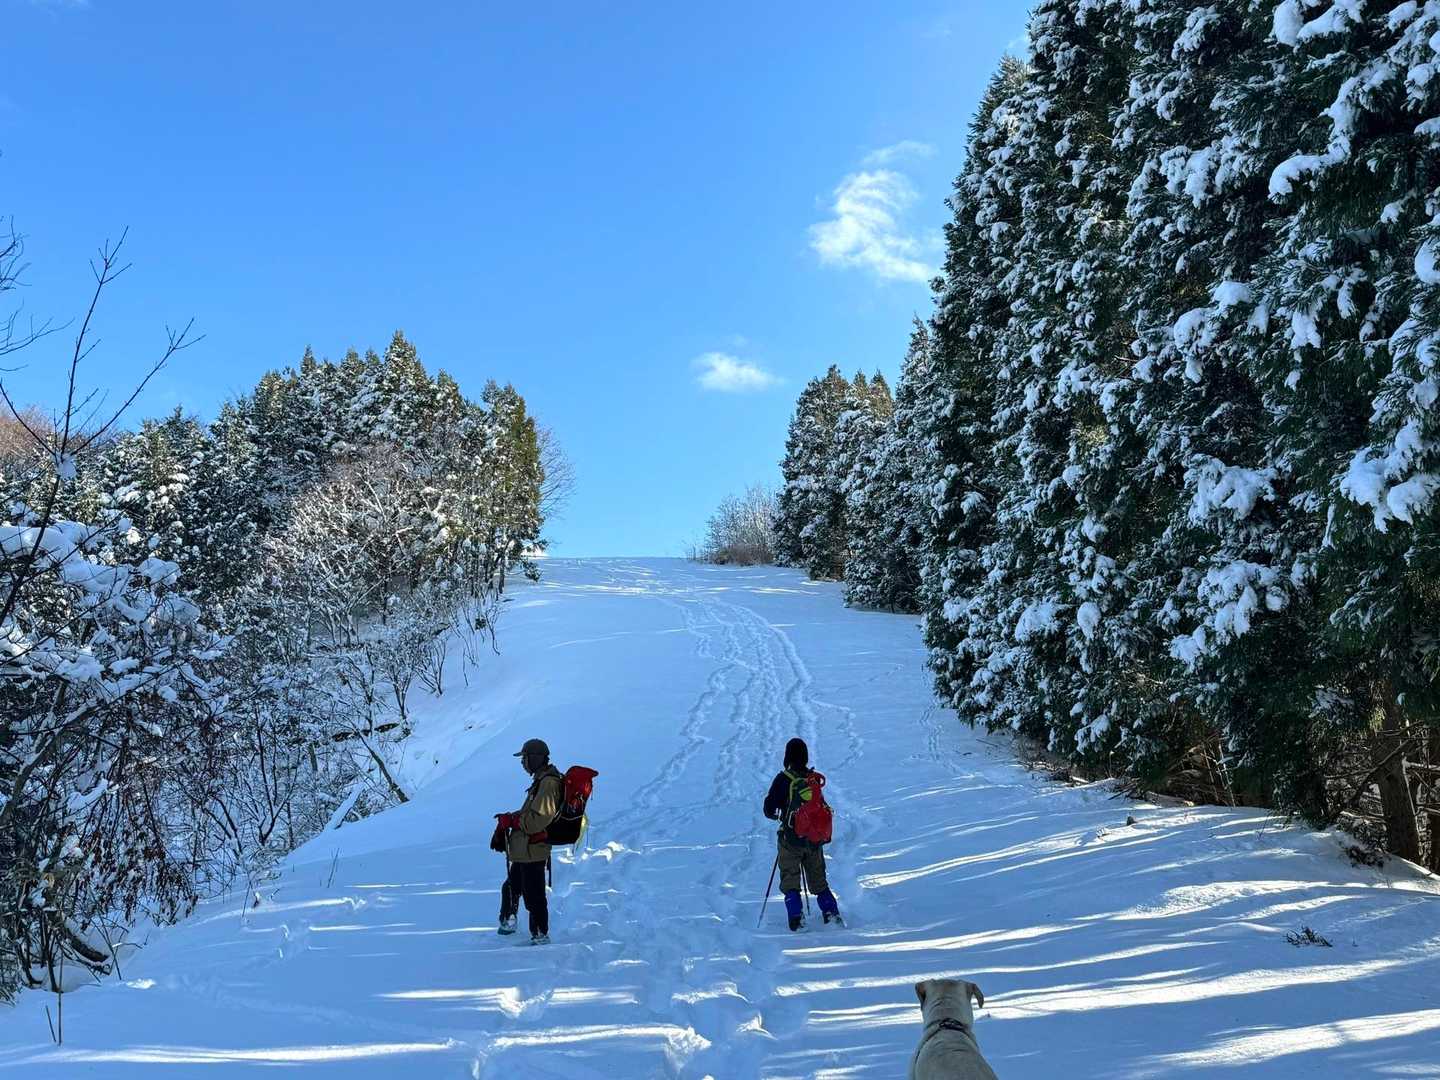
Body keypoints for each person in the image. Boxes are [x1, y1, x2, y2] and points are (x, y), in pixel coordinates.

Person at [763, 736, 841, 930]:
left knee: (790, 880)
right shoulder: (812, 779)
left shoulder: (783, 779)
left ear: (787, 756)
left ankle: (796, 919)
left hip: (790, 840)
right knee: (819, 881)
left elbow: (768, 808)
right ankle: (832, 914)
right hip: (813, 840)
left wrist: (778, 815)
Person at [495, 737, 564, 944]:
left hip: (534, 849)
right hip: (525, 850)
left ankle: (540, 935)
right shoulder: (541, 781)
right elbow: (532, 814)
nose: (522, 763)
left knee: (533, 894)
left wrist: (513, 821)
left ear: (535, 758)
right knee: (511, 887)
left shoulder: (549, 783)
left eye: (524, 758)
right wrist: (511, 817)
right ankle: (509, 922)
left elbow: (538, 819)